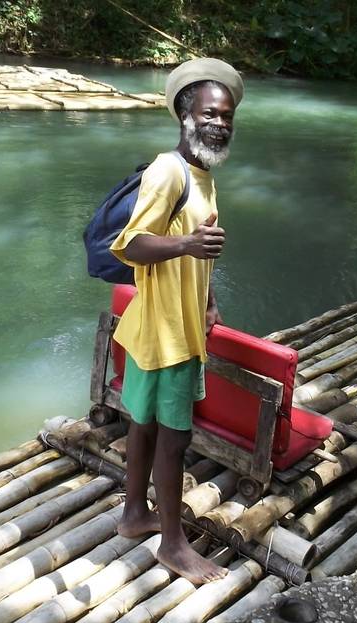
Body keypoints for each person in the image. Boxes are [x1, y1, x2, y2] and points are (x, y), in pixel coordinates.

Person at [108, 58, 243, 584]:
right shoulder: (169, 170)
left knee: (141, 425)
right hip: (166, 336)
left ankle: (134, 515)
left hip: (158, 325)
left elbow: (199, 248)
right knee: (174, 439)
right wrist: (187, 243)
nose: (220, 123)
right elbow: (132, 245)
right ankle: (173, 545)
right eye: (210, 112)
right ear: (185, 114)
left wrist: (207, 297)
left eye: (227, 116)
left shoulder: (204, 177)